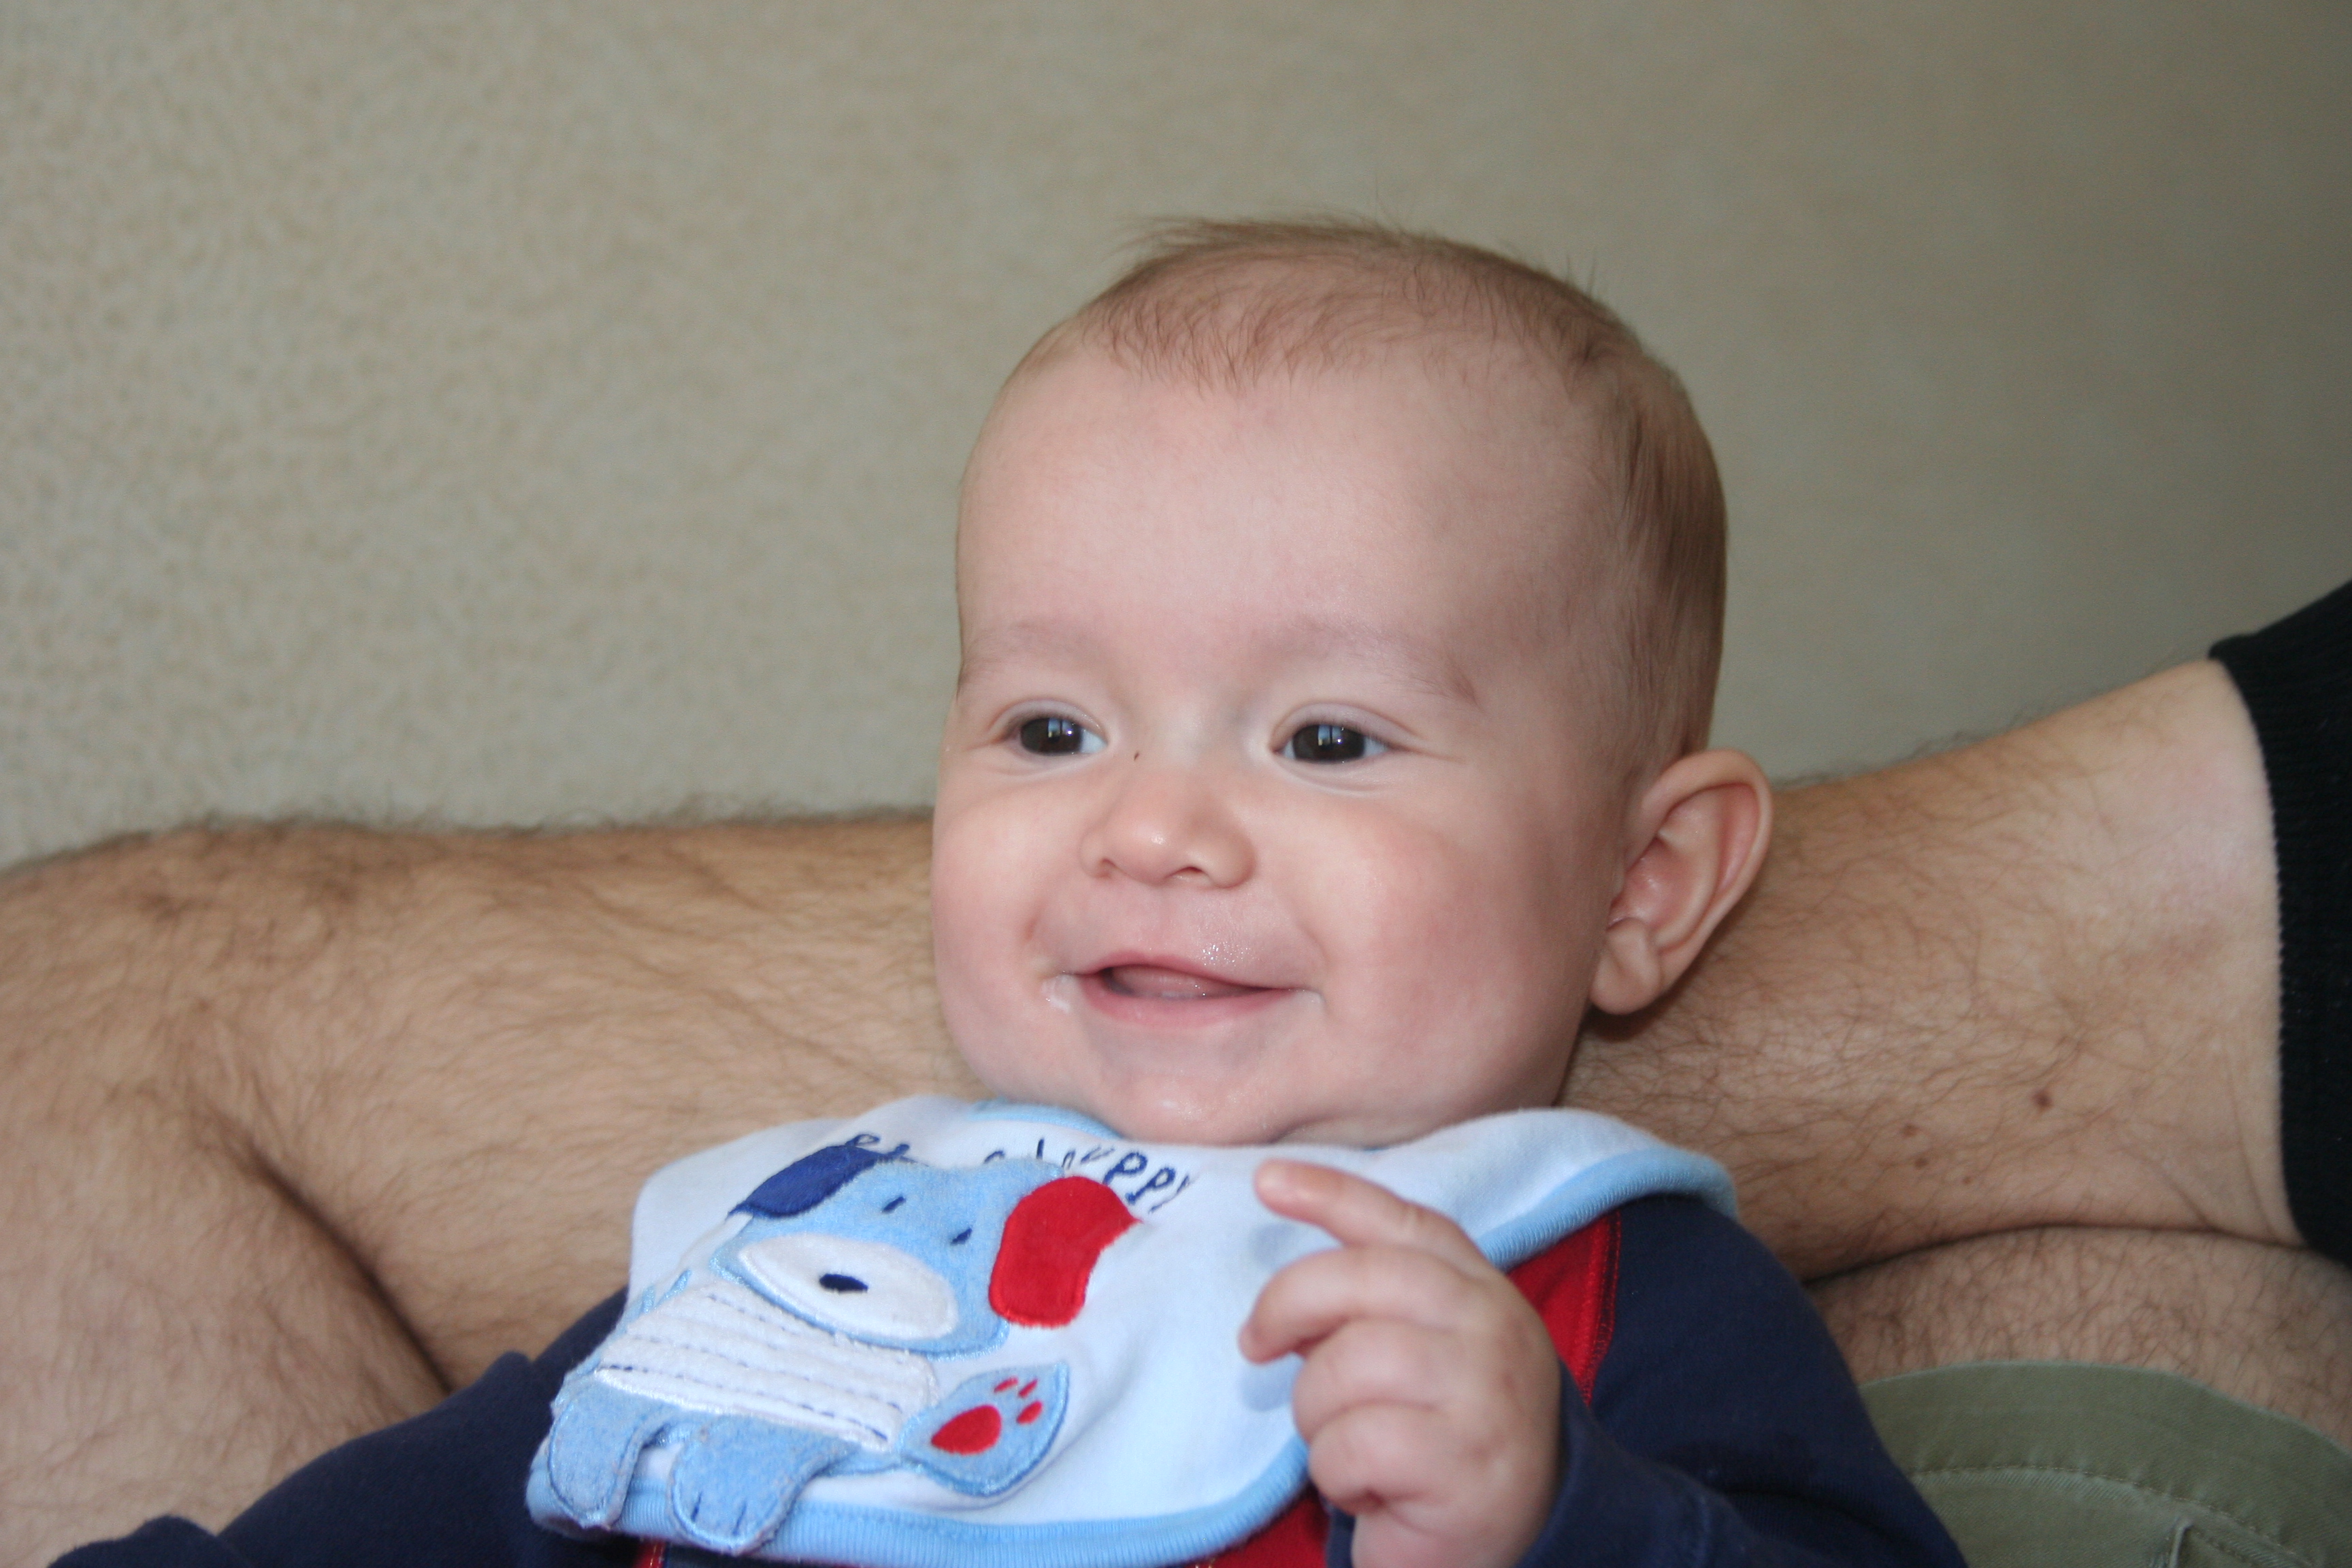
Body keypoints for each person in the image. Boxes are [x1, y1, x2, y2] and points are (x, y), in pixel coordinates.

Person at [7, 297, 2347, 1567]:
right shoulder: (818, 1238)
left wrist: (1572, 1511)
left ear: (1646, 887)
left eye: (1326, 739)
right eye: (1051, 726)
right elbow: (425, 1517)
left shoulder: (1582, 1285)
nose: (1152, 828)